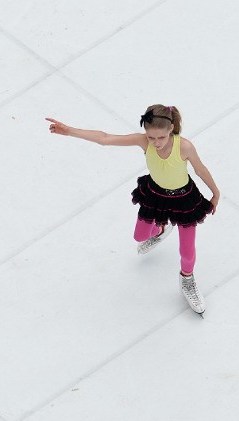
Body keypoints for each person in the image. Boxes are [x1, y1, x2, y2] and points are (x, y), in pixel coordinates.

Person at [45, 105, 220, 314]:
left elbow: (200, 169)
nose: (155, 143)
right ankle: (162, 229)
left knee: (187, 250)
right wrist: (70, 131)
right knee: (140, 236)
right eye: (151, 137)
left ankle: (187, 278)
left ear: (171, 129)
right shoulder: (143, 141)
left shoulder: (184, 147)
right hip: (155, 196)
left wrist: (215, 193)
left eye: (161, 138)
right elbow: (105, 138)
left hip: (184, 199)